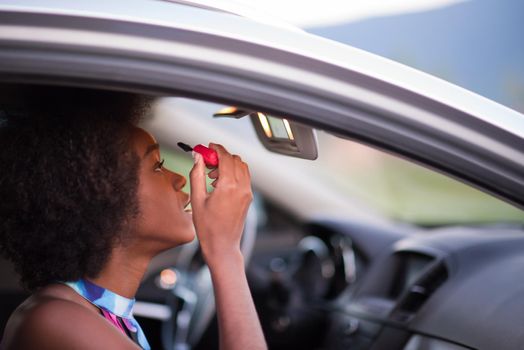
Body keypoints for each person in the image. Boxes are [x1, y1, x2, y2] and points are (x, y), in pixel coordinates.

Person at [0, 85, 267, 350]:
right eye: (157, 166)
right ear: (103, 197)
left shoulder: (96, 312)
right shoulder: (58, 320)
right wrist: (225, 254)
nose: (177, 179)